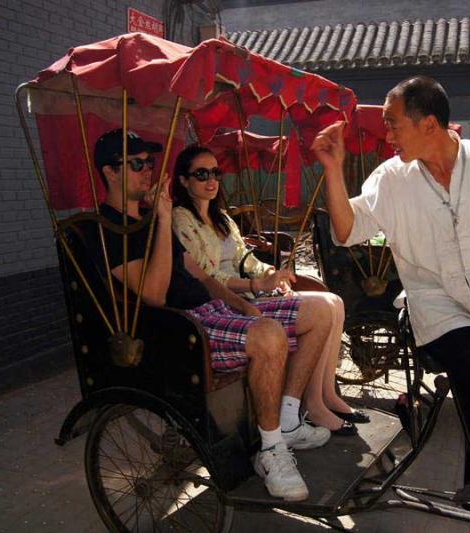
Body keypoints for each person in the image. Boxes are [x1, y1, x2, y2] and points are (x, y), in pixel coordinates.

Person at [310, 76, 470, 531]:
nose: (388, 133)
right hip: (435, 311)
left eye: (393, 123)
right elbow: (346, 230)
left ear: (429, 124)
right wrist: (333, 169)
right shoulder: (391, 178)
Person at [92, 128, 331, 502]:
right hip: (179, 325)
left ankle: (287, 419)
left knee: (317, 309)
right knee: (268, 336)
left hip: (212, 307)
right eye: (136, 164)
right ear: (109, 172)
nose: (147, 171)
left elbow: (201, 274)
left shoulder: (148, 218)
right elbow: (154, 294)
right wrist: (162, 220)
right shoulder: (108, 229)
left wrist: (244, 304)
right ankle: (270, 452)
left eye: (149, 164)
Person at [170, 144, 366, 434]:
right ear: (184, 180)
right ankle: (303, 405)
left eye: (215, 173)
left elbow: (244, 259)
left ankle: (324, 394)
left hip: (251, 292)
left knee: (334, 301)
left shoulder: (221, 217)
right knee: (321, 310)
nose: (211, 180)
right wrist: (255, 284)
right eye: (201, 174)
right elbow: (206, 277)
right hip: (226, 302)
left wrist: (271, 273)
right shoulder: (181, 219)